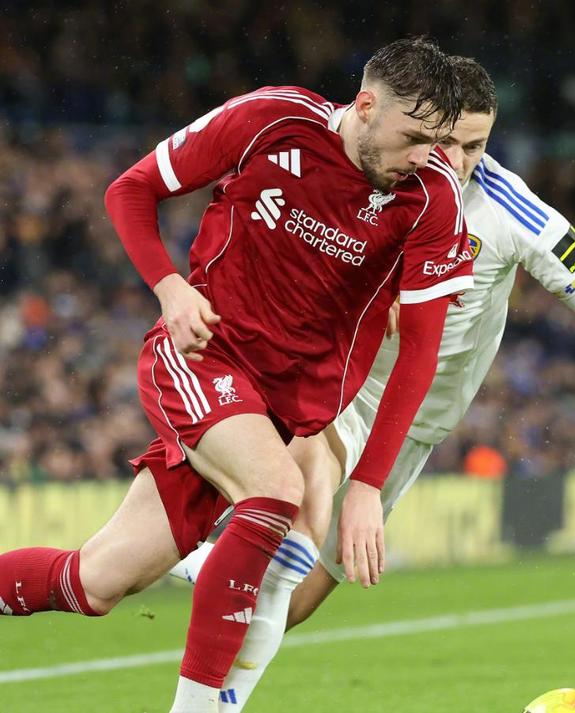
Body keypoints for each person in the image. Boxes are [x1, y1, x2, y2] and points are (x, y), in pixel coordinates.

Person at [172, 56, 575, 712]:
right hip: (344, 389)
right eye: (446, 141)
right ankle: (202, 621)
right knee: (293, 532)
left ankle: (204, 570)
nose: (456, 160)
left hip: (417, 423)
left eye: (476, 146)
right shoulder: (380, 175)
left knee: (296, 599)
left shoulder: (509, 208)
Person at [0, 38, 473, 712]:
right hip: (203, 356)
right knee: (277, 490)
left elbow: (421, 353)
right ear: (366, 106)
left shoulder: (432, 199)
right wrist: (169, 287)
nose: (425, 157)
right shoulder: (271, 120)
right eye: (413, 137)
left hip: (275, 411)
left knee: (95, 582)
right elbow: (130, 189)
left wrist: (369, 485)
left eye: (437, 142)